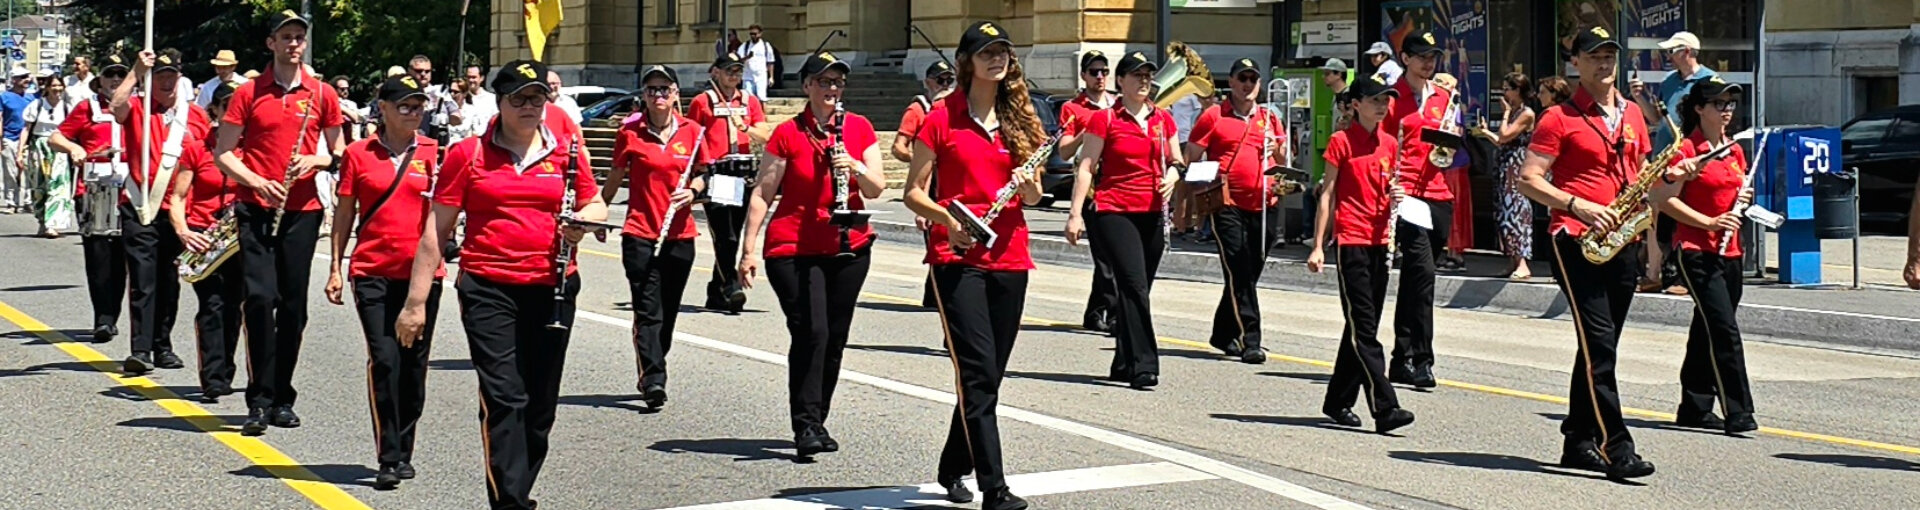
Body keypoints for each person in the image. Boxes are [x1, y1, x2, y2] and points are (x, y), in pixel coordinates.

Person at [395, 59, 608, 510]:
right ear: (500, 101)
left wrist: (583, 221)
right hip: (489, 287)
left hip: (552, 287)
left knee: (540, 407)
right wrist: (416, 302)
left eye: (538, 97)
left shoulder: (566, 149)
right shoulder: (468, 154)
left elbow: (596, 204)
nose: (531, 106)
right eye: (520, 98)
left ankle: (519, 488)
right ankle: (510, 502)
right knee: (505, 396)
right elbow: (437, 229)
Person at [903, 21, 1044, 510]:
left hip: (1011, 256)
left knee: (988, 375)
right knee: (978, 372)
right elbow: (914, 193)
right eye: (986, 52)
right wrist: (947, 218)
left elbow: (1036, 193)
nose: (996, 59)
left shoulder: (1021, 119)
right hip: (957, 257)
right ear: (966, 61)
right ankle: (995, 488)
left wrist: (1028, 185)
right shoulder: (941, 119)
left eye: (1002, 51)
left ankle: (950, 464)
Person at [1515, 25, 1658, 480]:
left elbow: (1644, 180)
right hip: (1575, 239)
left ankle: (1577, 439)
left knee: (1600, 346)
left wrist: (1652, 239)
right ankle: (1617, 445)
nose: (1604, 63)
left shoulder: (1633, 113)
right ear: (1574, 62)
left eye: (1610, 54)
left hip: (1623, 240)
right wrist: (1577, 204)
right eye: (1594, 55)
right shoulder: (1557, 117)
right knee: (1599, 346)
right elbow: (1528, 179)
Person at [738, 51, 888, 457]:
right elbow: (763, 193)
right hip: (794, 248)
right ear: (806, 86)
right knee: (811, 332)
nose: (832, 89)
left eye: (837, 82)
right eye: (823, 82)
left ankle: (818, 418)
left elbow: (876, 188)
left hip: (848, 246)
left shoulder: (858, 128)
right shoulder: (788, 133)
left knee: (835, 338)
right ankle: (804, 423)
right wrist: (748, 249)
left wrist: (853, 165)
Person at [212, 11, 348, 436]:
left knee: (293, 306)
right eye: (286, 37)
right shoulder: (249, 92)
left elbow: (339, 151)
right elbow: (224, 153)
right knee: (258, 298)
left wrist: (317, 160)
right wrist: (256, 181)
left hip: (302, 210)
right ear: (271, 43)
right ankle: (258, 396)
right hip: (256, 205)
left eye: (299, 38)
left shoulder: (322, 93)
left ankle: (283, 395)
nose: (294, 44)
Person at [322, 75, 442, 490]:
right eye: (405, 106)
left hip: (421, 277)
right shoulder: (359, 154)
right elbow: (344, 213)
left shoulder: (434, 152)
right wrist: (336, 265)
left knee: (413, 367)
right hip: (372, 270)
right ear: (384, 109)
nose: (413, 113)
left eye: (418, 106)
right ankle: (387, 455)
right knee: (385, 359)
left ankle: (405, 445)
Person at [1306, 75, 1417, 433]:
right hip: (1352, 239)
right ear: (1356, 104)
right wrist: (1319, 245)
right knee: (1365, 330)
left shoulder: (1388, 142)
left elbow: (1384, 185)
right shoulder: (1341, 141)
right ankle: (1385, 407)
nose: (1382, 106)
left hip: (1380, 241)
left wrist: (1394, 193)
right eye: (1374, 100)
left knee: (1358, 327)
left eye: (1386, 100)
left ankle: (1337, 400)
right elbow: (1327, 194)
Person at [1064, 50, 1181, 390]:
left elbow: (1176, 160)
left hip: (1152, 211)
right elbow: (1086, 166)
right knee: (1133, 286)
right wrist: (1075, 215)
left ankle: (1122, 360)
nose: (1144, 81)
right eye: (1137, 75)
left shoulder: (1164, 119)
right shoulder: (1105, 119)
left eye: (1148, 75)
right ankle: (1145, 365)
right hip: (1114, 210)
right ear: (1121, 81)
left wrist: (1173, 175)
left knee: (1138, 290)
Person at [1650, 76, 1758, 435]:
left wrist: (1743, 200)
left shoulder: (1735, 150)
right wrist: (1709, 221)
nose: (1726, 111)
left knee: (1706, 327)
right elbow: (1665, 201)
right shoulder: (1687, 151)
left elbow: (1732, 195)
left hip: (1731, 249)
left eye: (1730, 104)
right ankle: (1738, 410)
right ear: (1699, 108)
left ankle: (1694, 406)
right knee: (1724, 329)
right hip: (1696, 249)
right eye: (1718, 104)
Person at [604, 65, 706, 411]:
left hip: (680, 234)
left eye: (664, 89)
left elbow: (704, 175)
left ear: (676, 93)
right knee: (648, 309)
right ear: (643, 95)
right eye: (651, 90)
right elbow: (616, 176)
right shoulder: (630, 132)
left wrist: (692, 191)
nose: (658, 96)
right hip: (640, 232)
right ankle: (654, 378)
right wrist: (599, 212)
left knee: (668, 311)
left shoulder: (693, 132)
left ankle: (653, 360)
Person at [111, 48, 212, 375]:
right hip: (142, 205)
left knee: (170, 280)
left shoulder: (194, 115)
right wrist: (136, 71)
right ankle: (140, 348)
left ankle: (162, 344)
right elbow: (116, 106)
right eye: (160, 76)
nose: (167, 82)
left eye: (172, 76)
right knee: (143, 279)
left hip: (180, 211)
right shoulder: (138, 108)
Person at [1186, 58, 1284, 365]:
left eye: (1253, 79)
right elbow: (1192, 156)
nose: (1248, 84)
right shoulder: (1213, 115)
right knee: (1240, 268)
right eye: (1242, 78)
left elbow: (1283, 156)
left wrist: (1275, 146)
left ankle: (1222, 331)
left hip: (1265, 203)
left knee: (1249, 271)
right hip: (1226, 204)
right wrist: (1210, 179)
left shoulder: (1269, 118)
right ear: (1231, 81)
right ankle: (1250, 339)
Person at [1381, 32, 1452, 389]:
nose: (1429, 62)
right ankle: (1423, 360)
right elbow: (1380, 144)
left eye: (1433, 56)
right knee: (1423, 274)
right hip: (1407, 192)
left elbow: (1451, 144)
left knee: (1416, 279)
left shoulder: (1443, 96)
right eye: (1422, 56)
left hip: (1439, 192)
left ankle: (1400, 357)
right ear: (1405, 58)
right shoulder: (1392, 98)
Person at [167, 80, 242, 402]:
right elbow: (179, 197)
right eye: (228, 108)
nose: (234, 115)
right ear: (215, 110)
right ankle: (212, 376)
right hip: (205, 236)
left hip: (240, 237)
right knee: (212, 306)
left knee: (235, 307)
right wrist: (184, 231)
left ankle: (225, 367)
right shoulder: (197, 148)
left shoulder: (251, 149)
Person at [52, 54, 130, 344]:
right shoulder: (88, 108)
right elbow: (56, 138)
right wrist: (74, 148)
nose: (116, 81)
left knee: (121, 257)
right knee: (99, 257)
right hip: (94, 189)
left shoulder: (137, 108)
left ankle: (113, 315)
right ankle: (103, 318)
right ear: (101, 80)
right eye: (111, 75)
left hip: (128, 189)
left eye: (121, 75)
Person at [688, 51, 772, 314]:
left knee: (734, 233)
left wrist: (745, 127)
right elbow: (692, 136)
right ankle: (730, 287)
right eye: (729, 71)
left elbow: (765, 135)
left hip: (743, 171)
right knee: (726, 234)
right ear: (716, 72)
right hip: (719, 171)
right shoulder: (703, 101)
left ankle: (716, 290)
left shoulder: (749, 101)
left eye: (737, 71)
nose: (734, 76)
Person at [1635, 31, 1716, 296]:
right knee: (1656, 212)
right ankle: (1653, 274)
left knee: (1683, 213)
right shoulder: (1670, 81)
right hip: (1664, 156)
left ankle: (1682, 276)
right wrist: (1640, 99)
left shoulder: (1709, 81)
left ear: (1688, 52)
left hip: (1690, 157)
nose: (1668, 56)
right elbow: (1658, 119)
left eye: (1673, 51)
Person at [1056, 50, 1119, 334]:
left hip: (1117, 182)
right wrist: (1090, 130)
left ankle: (1096, 312)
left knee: (1114, 255)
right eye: (1094, 72)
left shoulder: (1118, 103)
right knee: (1105, 257)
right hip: (1092, 186)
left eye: (1104, 71)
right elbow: (1065, 150)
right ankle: (1115, 313)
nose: (1100, 77)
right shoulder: (1073, 107)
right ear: (1083, 75)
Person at [897, 60, 956, 309]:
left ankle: (936, 296)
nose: (944, 85)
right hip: (928, 183)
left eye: (948, 80)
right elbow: (899, 146)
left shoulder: (953, 110)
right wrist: (920, 159)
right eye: (939, 80)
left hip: (949, 179)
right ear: (927, 82)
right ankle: (936, 297)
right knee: (937, 244)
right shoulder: (919, 109)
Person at [1495, 72, 1539, 280]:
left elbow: (1505, 135)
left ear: (1517, 90)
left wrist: (1504, 114)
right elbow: (1501, 140)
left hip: (1516, 166)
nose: (1504, 93)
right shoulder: (1515, 112)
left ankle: (1523, 262)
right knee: (1504, 212)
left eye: (1507, 88)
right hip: (1505, 164)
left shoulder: (1526, 113)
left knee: (1516, 210)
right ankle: (1512, 260)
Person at [21, 71, 75, 238]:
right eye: (53, 86)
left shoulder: (67, 107)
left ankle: (53, 224)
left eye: (59, 86)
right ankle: (42, 221)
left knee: (58, 186)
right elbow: (27, 129)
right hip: (38, 148)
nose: (57, 89)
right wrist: (20, 151)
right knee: (39, 187)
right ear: (47, 87)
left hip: (59, 148)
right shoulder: (36, 105)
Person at [2, 66, 32, 213]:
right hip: (9, 138)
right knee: (10, 171)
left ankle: (28, 201)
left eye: (27, 76)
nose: (27, 79)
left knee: (27, 171)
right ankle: (11, 202)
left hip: (27, 140)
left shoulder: (31, 97)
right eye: (23, 77)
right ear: (14, 80)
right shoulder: (4, 97)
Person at [740, 24, 775, 100]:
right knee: (748, 97)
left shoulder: (765, 46)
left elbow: (770, 62)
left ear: (760, 34)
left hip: (761, 76)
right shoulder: (745, 45)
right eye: (751, 34)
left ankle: (762, 112)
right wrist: (748, 57)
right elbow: (739, 60)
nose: (753, 36)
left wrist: (771, 77)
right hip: (748, 76)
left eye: (755, 34)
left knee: (761, 97)